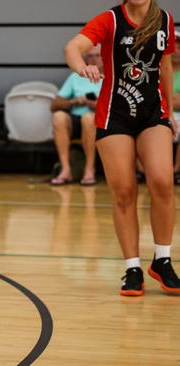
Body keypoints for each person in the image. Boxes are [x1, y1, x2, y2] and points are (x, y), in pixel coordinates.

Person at [65, 0, 179, 296]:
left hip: (154, 114)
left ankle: (162, 261)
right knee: (124, 192)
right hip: (114, 116)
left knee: (163, 182)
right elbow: (72, 48)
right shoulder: (110, 20)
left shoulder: (164, 20)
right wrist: (82, 67)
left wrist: (169, 113)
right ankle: (132, 268)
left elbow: (165, 66)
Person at [50, 46, 103, 186]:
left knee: (88, 117)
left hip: (100, 121)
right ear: (85, 59)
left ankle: (89, 169)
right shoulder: (76, 76)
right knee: (58, 117)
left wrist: (98, 105)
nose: (94, 59)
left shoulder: (111, 76)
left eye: (98, 55)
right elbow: (54, 105)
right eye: (90, 56)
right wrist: (74, 101)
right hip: (76, 119)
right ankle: (66, 169)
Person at [171, 30, 180, 184]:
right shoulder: (154, 69)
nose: (177, 50)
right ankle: (141, 172)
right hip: (157, 113)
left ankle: (176, 171)